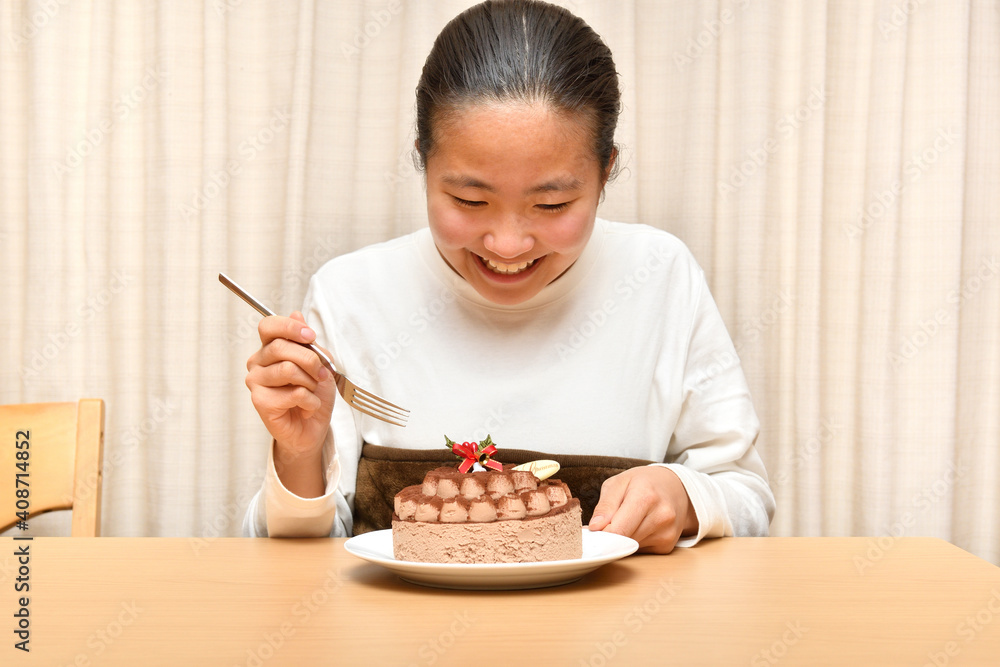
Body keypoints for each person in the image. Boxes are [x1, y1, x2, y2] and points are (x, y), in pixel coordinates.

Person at [243, 0, 774, 553]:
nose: (508, 245)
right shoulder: (351, 293)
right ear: (424, 161)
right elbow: (298, 560)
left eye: (552, 204)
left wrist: (686, 496)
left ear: (605, 171)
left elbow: (746, 494)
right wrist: (299, 455)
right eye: (470, 200)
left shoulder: (659, 276)